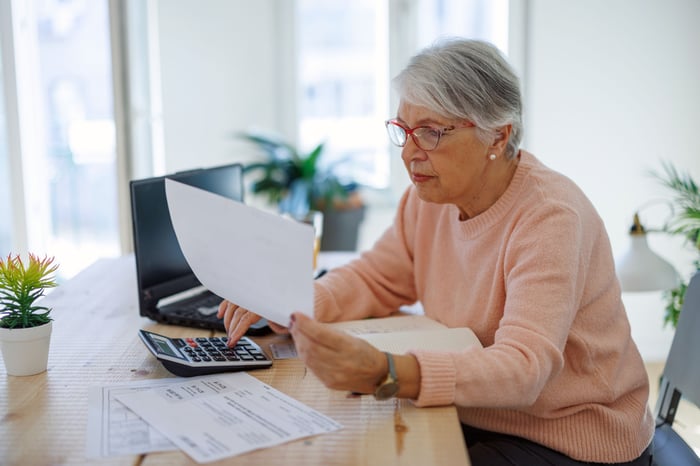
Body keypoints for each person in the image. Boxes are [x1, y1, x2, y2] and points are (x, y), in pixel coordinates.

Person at [218, 38, 654, 465]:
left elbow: (524, 370)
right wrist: (289, 302)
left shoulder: (549, 217)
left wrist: (387, 371)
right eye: (404, 130)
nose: (409, 153)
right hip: (480, 410)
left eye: (430, 132)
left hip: (567, 434)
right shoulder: (429, 199)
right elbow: (375, 278)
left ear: (497, 137)